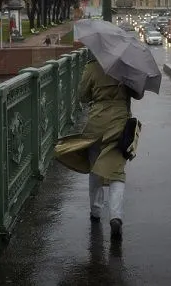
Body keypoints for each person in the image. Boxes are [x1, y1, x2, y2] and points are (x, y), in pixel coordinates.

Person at [54, 54, 131, 240]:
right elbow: (138, 93)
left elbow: (82, 96)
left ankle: (96, 211)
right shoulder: (126, 66)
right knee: (117, 172)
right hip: (120, 123)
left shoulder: (92, 67)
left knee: (95, 166)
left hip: (97, 123)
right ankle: (116, 217)